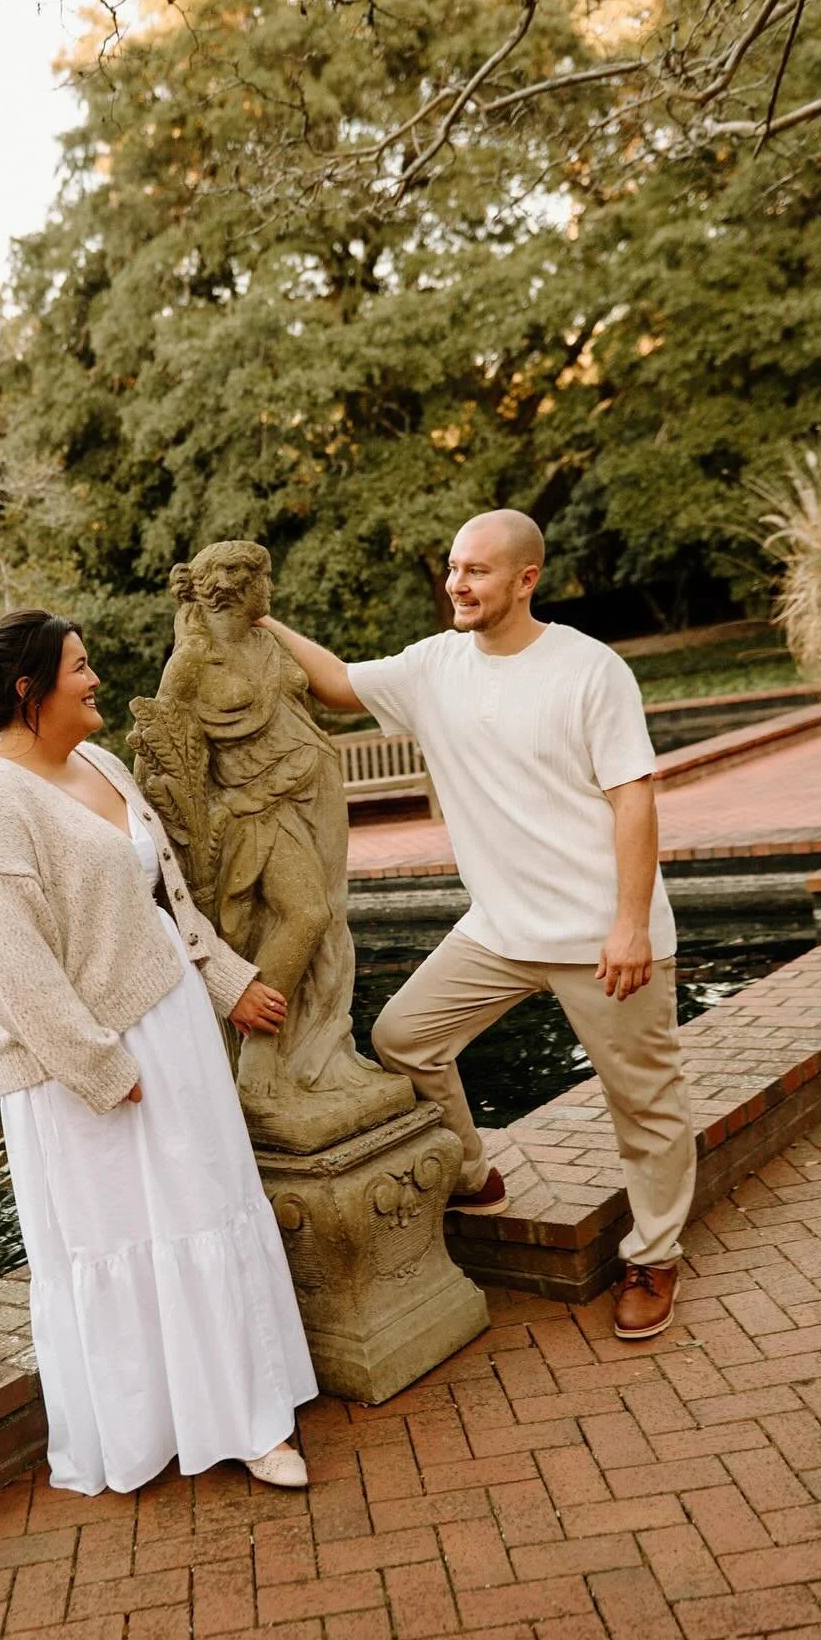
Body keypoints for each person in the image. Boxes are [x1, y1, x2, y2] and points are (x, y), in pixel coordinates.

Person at [260, 511, 696, 1341]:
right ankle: (471, 1171)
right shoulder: (434, 666)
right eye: (455, 568)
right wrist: (259, 619)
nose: (458, 584)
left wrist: (630, 924)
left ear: (526, 579)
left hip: (600, 934)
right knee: (404, 1035)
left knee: (644, 1103)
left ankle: (655, 1253)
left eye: (478, 571)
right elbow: (340, 683)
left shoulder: (588, 671)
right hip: (499, 929)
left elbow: (633, 799)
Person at [0, 609, 317, 1494]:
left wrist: (223, 981)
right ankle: (168, 1423)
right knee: (129, 1239)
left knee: (209, 1208)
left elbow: (164, 897)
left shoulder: (99, 764)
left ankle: (249, 1414)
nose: (96, 676)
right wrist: (101, 1068)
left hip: (171, 1028)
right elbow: (10, 962)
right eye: (79, 666)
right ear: (30, 691)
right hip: (87, 1066)